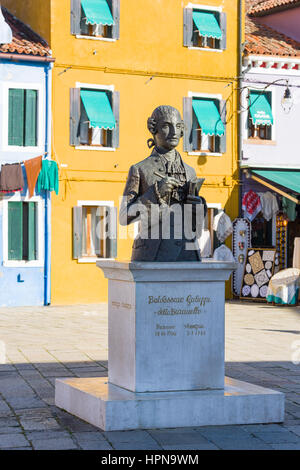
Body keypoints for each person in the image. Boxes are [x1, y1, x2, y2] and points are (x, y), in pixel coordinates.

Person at [119, 105, 207, 261]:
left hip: (188, 255)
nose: (174, 132)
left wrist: (197, 208)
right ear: (153, 129)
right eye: (166, 126)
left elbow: (194, 224)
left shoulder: (190, 171)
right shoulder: (140, 169)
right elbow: (124, 216)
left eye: (178, 126)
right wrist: (154, 193)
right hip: (153, 254)